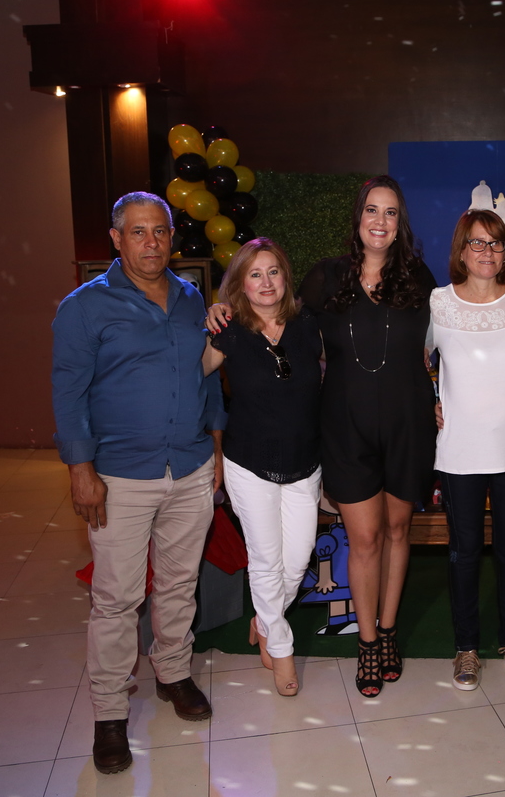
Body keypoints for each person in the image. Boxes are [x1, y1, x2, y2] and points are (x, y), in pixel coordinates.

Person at [51, 191, 226, 775]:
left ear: (172, 237)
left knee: (179, 583)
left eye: (161, 231)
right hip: (119, 476)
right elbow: (68, 392)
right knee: (116, 599)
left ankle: (172, 672)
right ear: (116, 238)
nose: (152, 243)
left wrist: (217, 447)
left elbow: (208, 380)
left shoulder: (190, 298)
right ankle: (109, 712)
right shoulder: (84, 307)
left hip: (190, 466)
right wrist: (80, 469)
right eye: (138, 232)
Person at [298, 175, 438, 697]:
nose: (380, 221)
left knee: (398, 532)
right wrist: (223, 308)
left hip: (408, 423)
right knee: (364, 539)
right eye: (372, 210)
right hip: (345, 425)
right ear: (358, 217)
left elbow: (456, 333)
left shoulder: (418, 277)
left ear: (400, 223)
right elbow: (277, 322)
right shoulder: (325, 277)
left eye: (391, 212)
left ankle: (390, 629)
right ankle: (368, 640)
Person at [204, 238, 322, 697]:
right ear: (240, 283)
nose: (266, 282)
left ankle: (266, 618)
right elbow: (189, 376)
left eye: (273, 271)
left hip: (305, 461)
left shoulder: (308, 324)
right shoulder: (229, 331)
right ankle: (281, 650)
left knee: (297, 562)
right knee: (266, 559)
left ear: (285, 278)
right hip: (249, 462)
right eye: (255, 274)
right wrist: (206, 318)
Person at [431, 209, 505, 691]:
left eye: (496, 243)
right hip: (460, 449)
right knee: (465, 552)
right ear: (460, 250)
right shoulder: (438, 302)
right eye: (477, 242)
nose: (487, 252)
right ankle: (467, 648)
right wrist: (430, 401)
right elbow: (412, 359)